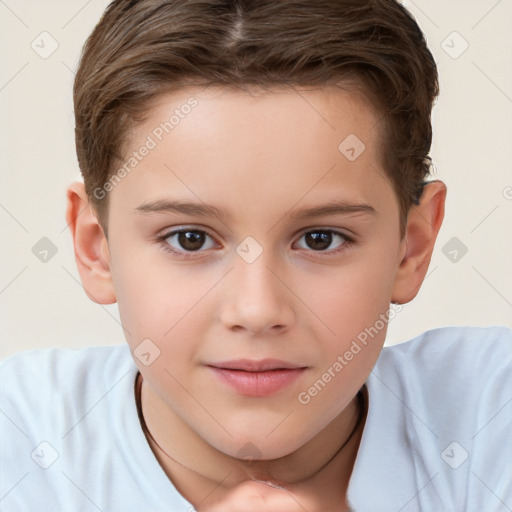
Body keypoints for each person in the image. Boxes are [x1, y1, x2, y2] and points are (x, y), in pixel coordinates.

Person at [1, 1, 511, 511]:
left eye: (320, 239)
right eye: (190, 239)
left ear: (411, 247)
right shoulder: (18, 447)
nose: (258, 310)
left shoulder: (492, 417)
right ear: (96, 248)